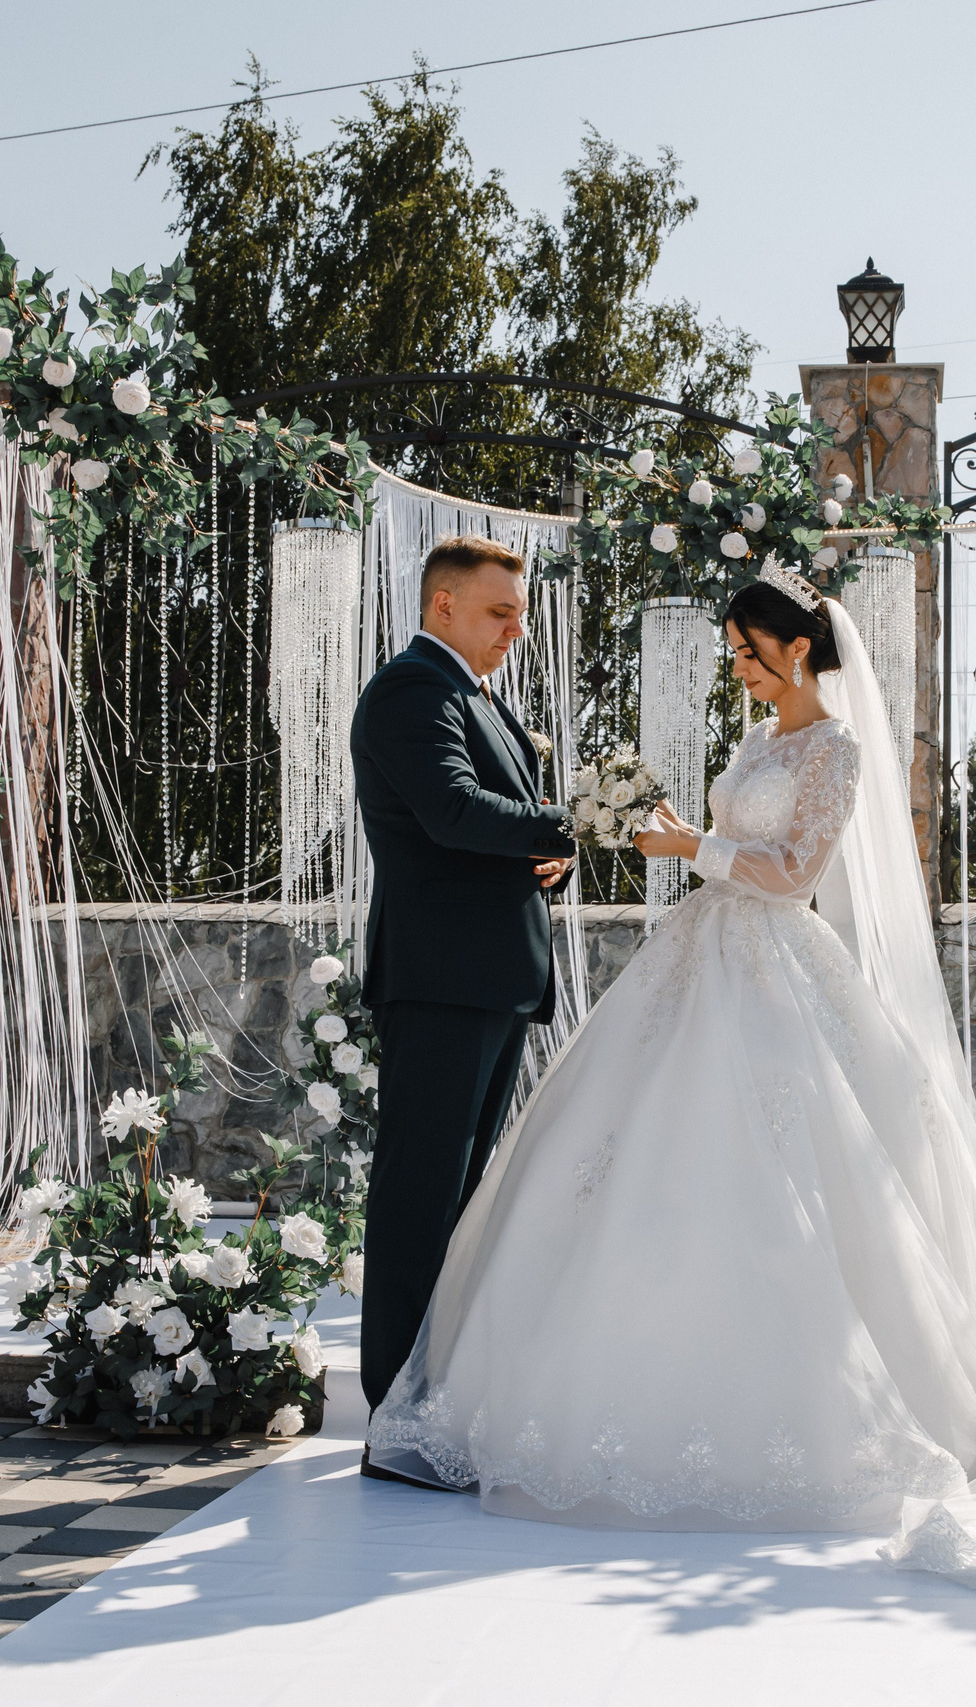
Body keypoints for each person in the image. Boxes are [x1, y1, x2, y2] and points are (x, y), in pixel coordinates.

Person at [364, 566, 976, 1588]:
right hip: (696, 956)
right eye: (732, 648)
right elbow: (724, 842)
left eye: (746, 650)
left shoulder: (837, 750)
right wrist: (665, 828)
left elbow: (790, 875)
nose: (736, 666)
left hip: (775, 967)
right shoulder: (763, 741)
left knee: (781, 1179)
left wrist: (689, 840)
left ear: (800, 649)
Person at [348, 535, 576, 1481]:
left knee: (462, 1201)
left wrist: (555, 857)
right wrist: (572, 820)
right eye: (498, 612)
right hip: (441, 982)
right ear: (442, 605)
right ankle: (392, 1420)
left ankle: (433, 1402)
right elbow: (450, 809)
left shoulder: (480, 698)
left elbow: (504, 832)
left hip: (489, 979)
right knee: (418, 1199)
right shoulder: (412, 692)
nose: (516, 631)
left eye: (519, 613)